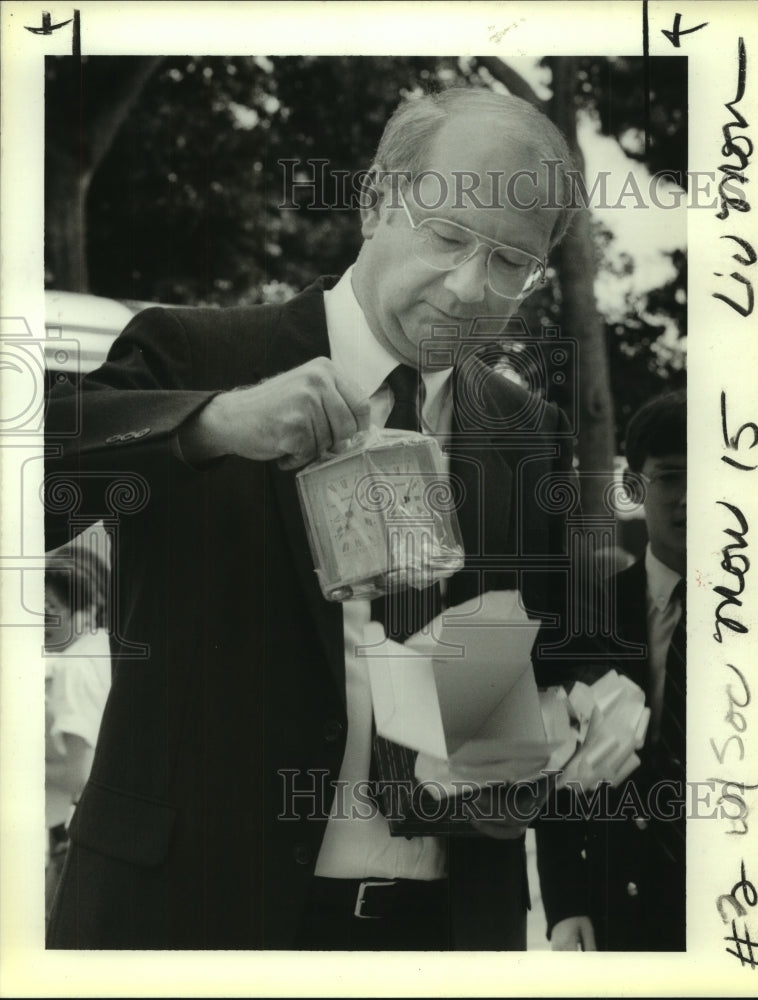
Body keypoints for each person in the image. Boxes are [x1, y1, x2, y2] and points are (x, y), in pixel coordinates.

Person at [44, 86, 577, 950]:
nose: (471, 288)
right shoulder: (196, 356)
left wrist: (525, 748)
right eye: (446, 237)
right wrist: (213, 424)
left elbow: (512, 668)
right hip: (190, 921)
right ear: (375, 203)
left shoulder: (526, 433)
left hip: (437, 934)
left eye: (510, 264)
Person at [535, 390, 687, 951]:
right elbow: (554, 764)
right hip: (619, 908)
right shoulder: (587, 614)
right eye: (670, 478)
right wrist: (566, 902)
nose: (692, 501)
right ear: (632, 488)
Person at [44, 543, 112, 921]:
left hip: (71, 837)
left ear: (84, 611)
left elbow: (78, 774)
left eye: (50, 611)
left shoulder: (74, 667)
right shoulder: (104, 647)